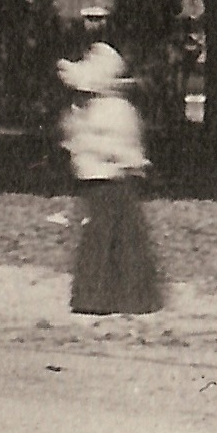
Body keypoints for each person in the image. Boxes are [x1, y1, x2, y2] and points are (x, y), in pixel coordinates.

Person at [57, 33, 162, 316]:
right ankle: (111, 298)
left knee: (112, 237)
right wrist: (127, 159)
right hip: (106, 178)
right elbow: (103, 143)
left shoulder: (106, 109)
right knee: (112, 238)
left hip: (107, 178)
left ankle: (106, 297)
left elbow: (99, 142)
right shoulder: (105, 110)